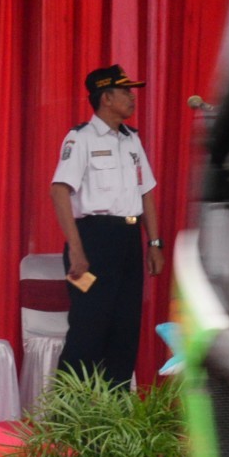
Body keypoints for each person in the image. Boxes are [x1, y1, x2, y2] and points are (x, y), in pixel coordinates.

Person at [49, 65, 163, 386]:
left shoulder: (131, 140)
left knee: (125, 331)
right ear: (106, 97)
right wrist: (76, 249)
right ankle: (68, 418)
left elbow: (147, 193)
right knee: (88, 330)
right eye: (125, 92)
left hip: (128, 241)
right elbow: (59, 190)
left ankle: (111, 421)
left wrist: (154, 243)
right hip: (93, 242)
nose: (132, 97)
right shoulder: (80, 138)